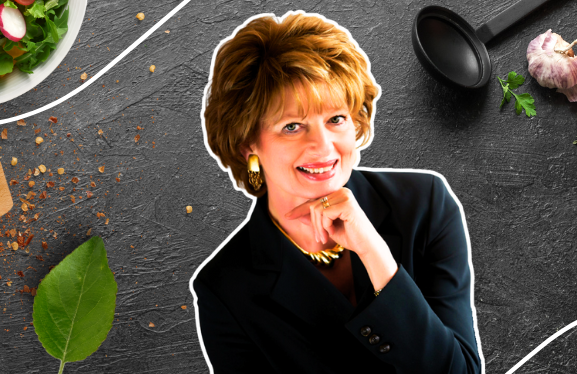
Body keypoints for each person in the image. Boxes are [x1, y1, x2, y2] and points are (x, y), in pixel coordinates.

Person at [191, 11, 482, 374]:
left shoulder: (425, 204)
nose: (323, 147)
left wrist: (375, 252)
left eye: (336, 119)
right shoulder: (225, 288)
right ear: (247, 144)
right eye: (292, 126)